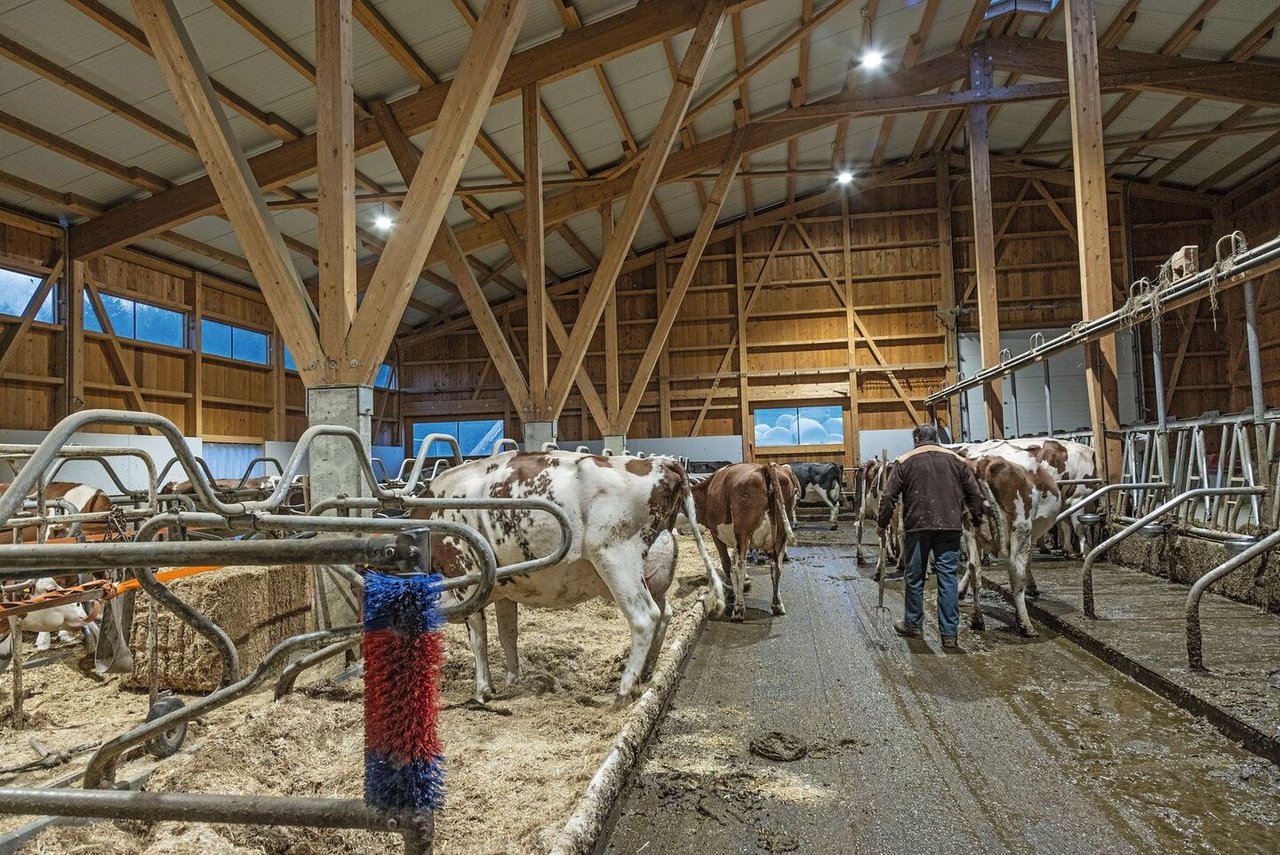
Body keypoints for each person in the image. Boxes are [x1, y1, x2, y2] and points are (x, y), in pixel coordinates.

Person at [876, 423, 985, 650]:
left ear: (917, 438)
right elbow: (975, 493)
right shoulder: (956, 460)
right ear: (936, 438)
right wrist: (977, 519)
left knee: (915, 577)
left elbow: (888, 497)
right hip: (950, 526)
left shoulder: (905, 461)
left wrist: (882, 524)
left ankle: (914, 625)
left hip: (917, 527)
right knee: (947, 578)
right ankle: (949, 634)